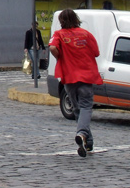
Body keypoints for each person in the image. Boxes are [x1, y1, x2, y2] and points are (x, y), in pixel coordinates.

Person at [49, 9, 102, 158]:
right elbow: (96, 52)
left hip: (69, 76)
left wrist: (60, 56)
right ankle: (82, 133)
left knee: (78, 109)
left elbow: (52, 47)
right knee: (86, 107)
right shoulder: (86, 34)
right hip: (86, 76)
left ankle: (87, 142)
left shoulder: (59, 34)